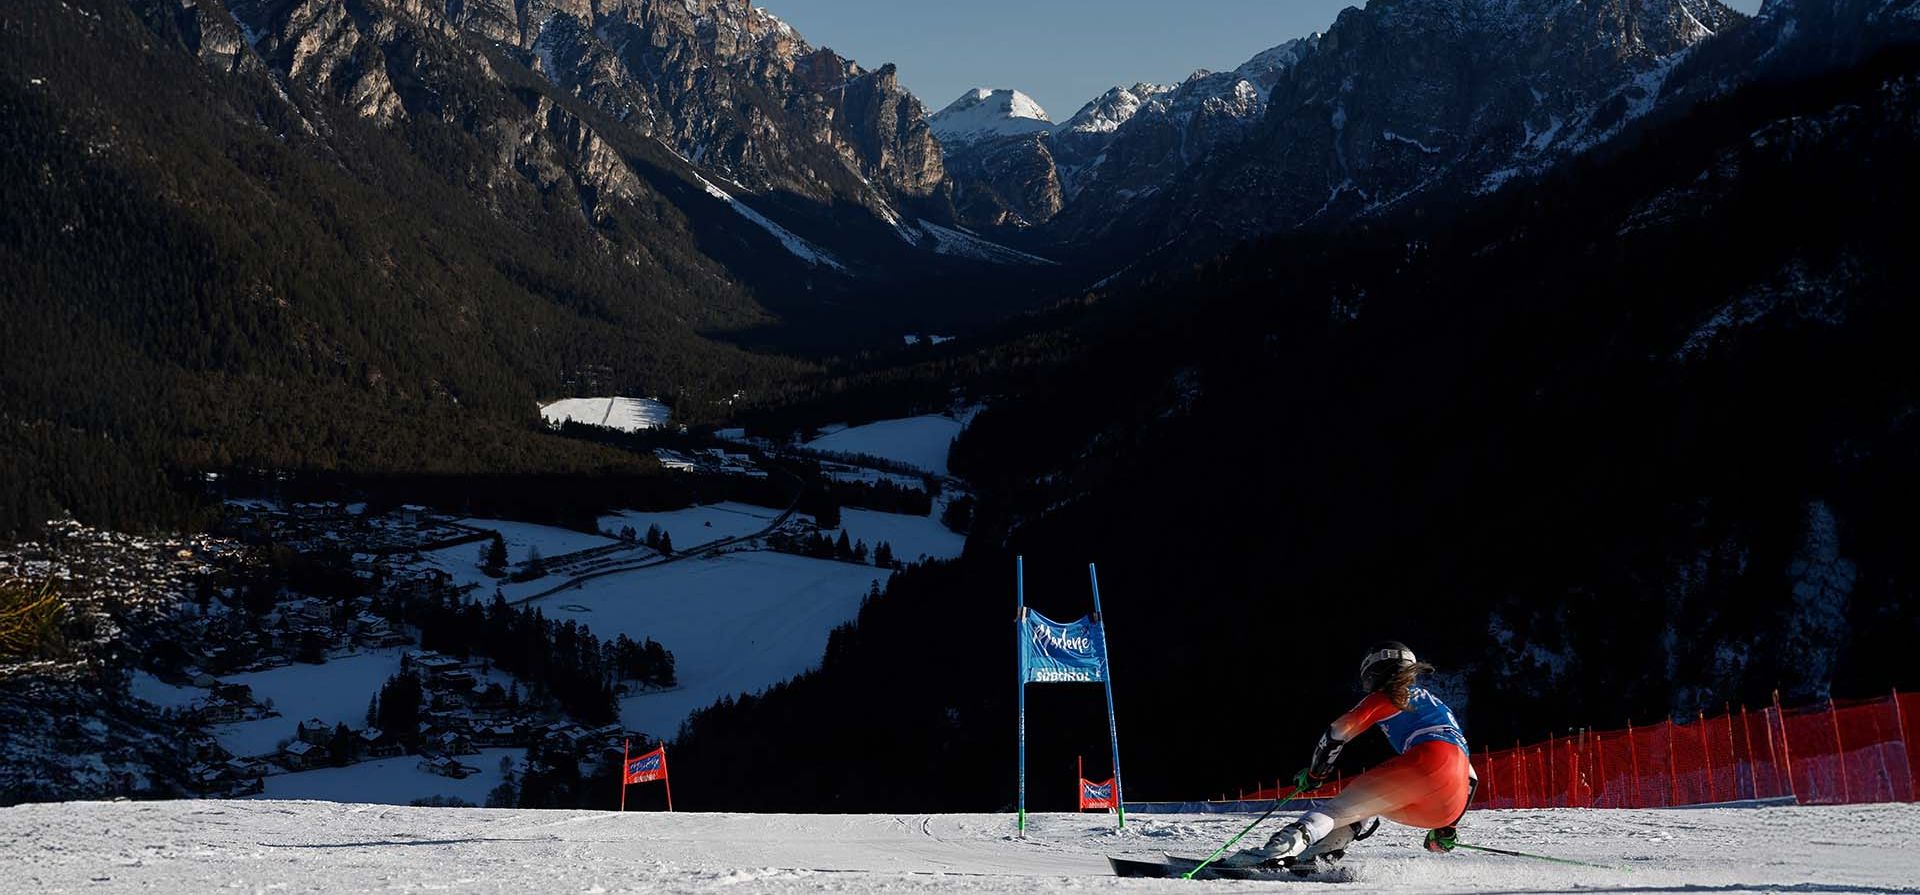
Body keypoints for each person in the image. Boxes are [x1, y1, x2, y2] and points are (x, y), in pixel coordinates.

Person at [1234, 641, 1476, 868]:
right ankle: (1320, 856)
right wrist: (1447, 826)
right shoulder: (1438, 707)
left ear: (1374, 670)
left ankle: (1277, 852)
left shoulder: (1389, 696)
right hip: (1449, 800)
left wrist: (1316, 773)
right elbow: (1472, 780)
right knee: (1365, 804)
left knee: (1335, 810)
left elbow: (1337, 732)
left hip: (1428, 760)